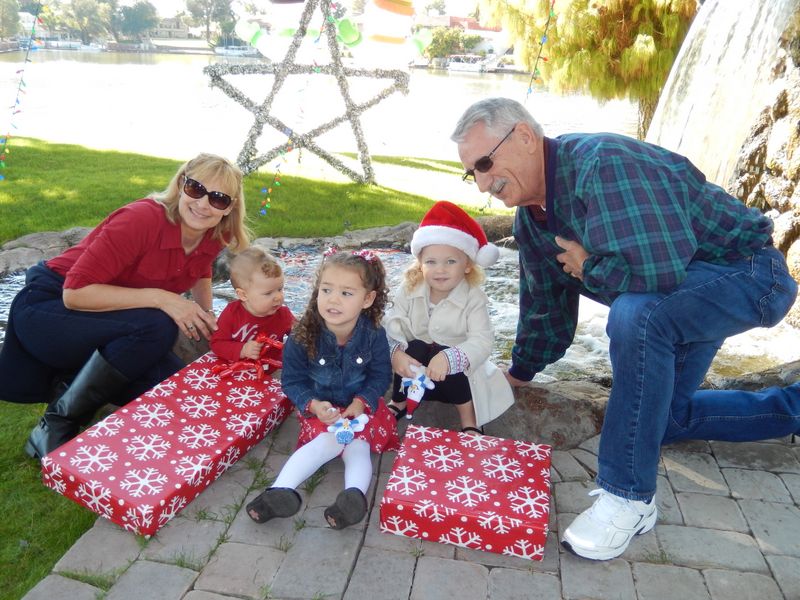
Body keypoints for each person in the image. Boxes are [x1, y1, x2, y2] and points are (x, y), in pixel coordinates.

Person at [450, 97, 799, 560]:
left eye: (485, 163)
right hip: (682, 299)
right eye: (471, 172)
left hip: (748, 274)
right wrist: (520, 373)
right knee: (660, 421)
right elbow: (544, 308)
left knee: (636, 315)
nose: (481, 184)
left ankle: (628, 497)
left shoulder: (603, 165)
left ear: (525, 137)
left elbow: (658, 271)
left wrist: (589, 267)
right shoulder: (531, 223)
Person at [0, 153, 250, 460]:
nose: (203, 204)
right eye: (197, 189)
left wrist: (207, 316)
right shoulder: (142, 219)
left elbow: (200, 270)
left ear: (231, 207)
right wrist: (163, 298)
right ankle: (56, 423)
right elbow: (74, 294)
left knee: (175, 390)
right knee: (158, 324)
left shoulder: (215, 232)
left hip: (107, 325)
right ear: (182, 183)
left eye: (219, 198)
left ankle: (72, 383)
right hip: (49, 310)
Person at [245, 248, 398, 530]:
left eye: (346, 293)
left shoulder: (374, 334)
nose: (333, 299)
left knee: (358, 445)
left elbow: (380, 376)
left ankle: (352, 500)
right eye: (326, 289)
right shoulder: (302, 336)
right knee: (327, 442)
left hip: (359, 411)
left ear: (368, 299)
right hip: (321, 411)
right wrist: (313, 405)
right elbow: (292, 381)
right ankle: (279, 492)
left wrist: (362, 402)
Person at [383, 200, 514, 434]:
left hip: (454, 377)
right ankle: (399, 402)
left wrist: (452, 357)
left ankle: (469, 419)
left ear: (467, 265)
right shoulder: (410, 288)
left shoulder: (473, 297)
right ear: (420, 264)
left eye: (450, 261)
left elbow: (482, 341)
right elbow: (392, 323)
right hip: (416, 375)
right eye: (430, 262)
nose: (440, 269)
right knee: (414, 347)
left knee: (447, 353)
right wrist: (396, 354)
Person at [210, 246, 294, 374]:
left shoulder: (283, 315)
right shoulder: (232, 314)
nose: (278, 297)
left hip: (271, 371)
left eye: (280, 289)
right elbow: (217, 344)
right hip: (236, 371)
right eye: (268, 293)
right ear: (243, 295)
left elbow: (302, 337)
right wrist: (242, 349)